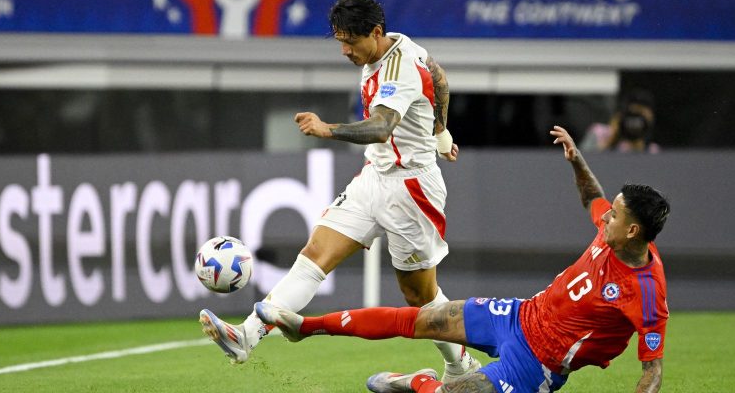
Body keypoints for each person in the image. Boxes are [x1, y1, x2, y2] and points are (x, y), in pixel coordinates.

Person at [254, 125, 670, 393]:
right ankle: (305, 327)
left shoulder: (647, 292)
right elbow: (592, 197)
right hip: (518, 316)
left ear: (633, 231)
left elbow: (652, 371)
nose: (606, 217)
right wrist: (577, 159)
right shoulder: (611, 232)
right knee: (419, 318)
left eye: (615, 215)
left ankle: (419, 383)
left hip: (536, 365)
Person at [199, 0, 480, 383]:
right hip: (374, 177)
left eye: (351, 42)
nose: (345, 50)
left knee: (420, 295)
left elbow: (381, 127)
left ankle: (461, 365)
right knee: (315, 254)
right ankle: (247, 335)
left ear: (375, 32)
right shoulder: (397, 47)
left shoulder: (397, 69)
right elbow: (438, 77)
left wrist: (326, 129)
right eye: (340, 41)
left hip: (412, 190)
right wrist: (440, 131)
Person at [580, 89, 660, 153]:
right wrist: (611, 139)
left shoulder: (652, 149)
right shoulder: (598, 132)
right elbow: (581, 160)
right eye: (632, 115)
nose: (635, 122)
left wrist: (640, 146)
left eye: (640, 117)